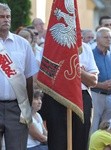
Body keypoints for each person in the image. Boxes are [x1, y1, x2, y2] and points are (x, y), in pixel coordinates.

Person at [40, 42, 99, 150]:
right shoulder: (48, 46)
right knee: (57, 142)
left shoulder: (85, 48)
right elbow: (41, 77)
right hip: (56, 97)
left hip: (81, 97)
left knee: (81, 141)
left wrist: (74, 68)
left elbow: (93, 81)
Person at [0, 3, 39, 150]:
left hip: (16, 107)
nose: (6, 20)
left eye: (8, 16)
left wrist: (26, 108)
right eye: (1, 16)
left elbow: (29, 78)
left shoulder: (22, 44)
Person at [90, 27, 111, 135]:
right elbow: (84, 77)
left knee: (110, 128)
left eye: (110, 37)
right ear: (97, 39)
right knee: (93, 126)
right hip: (95, 94)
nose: (109, 39)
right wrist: (100, 85)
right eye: (106, 37)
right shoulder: (91, 55)